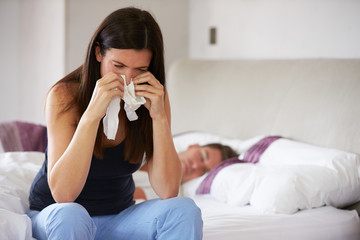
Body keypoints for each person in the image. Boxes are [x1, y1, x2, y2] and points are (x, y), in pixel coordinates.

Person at [27, 7, 202, 240]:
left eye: (140, 69)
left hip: (119, 216)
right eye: (118, 66)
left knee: (184, 210)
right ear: (98, 53)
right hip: (58, 215)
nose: (127, 79)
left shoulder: (154, 96)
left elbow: (169, 190)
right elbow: (63, 194)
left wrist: (159, 118)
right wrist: (91, 116)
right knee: (70, 215)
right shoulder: (64, 96)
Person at [134, 143, 239, 200]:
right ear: (193, 146)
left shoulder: (168, 194)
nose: (196, 166)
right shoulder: (151, 143)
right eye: (202, 157)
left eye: (203, 171)